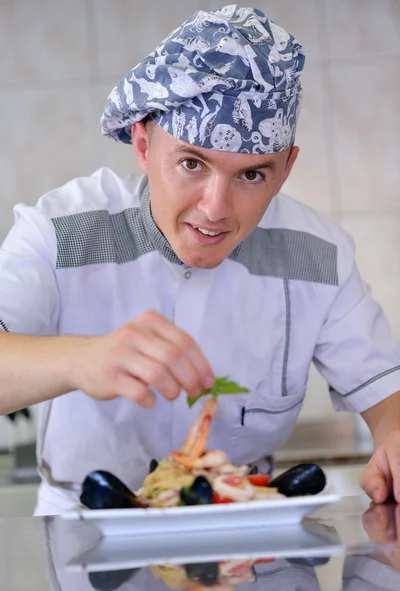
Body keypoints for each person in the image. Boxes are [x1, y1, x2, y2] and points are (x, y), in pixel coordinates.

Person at [0, 5, 400, 515]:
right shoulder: (59, 231)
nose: (215, 209)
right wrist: (78, 359)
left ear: (285, 169)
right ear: (143, 144)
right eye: (192, 164)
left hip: (247, 539)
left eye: (252, 176)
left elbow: (388, 395)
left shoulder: (318, 254)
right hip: (91, 542)